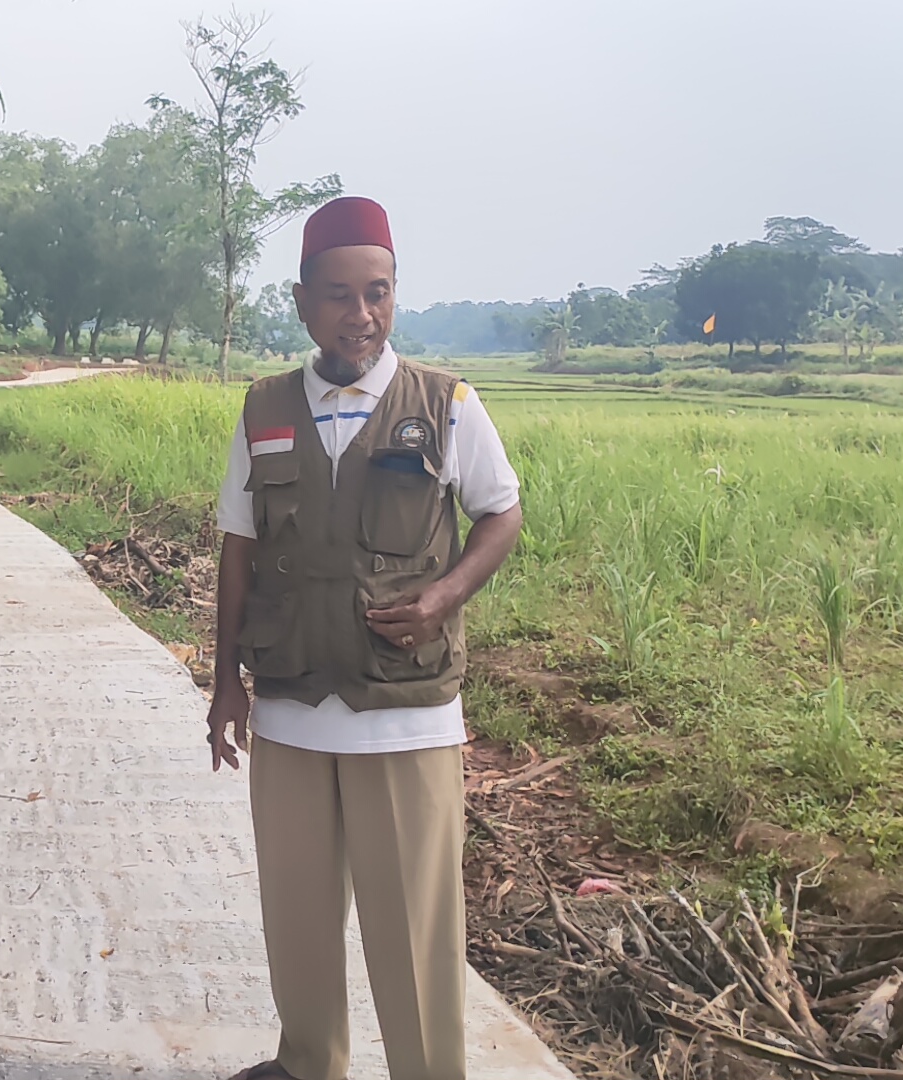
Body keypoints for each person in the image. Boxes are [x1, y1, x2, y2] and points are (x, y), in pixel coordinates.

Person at [209, 197, 524, 1080]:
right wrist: (225, 683)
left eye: (378, 292)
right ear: (303, 301)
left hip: (404, 710)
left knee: (415, 927)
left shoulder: (446, 404)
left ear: (395, 296)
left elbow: (501, 514)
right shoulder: (264, 409)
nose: (362, 314)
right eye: (340, 295)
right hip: (293, 705)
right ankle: (308, 1063)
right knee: (298, 912)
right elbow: (239, 544)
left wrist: (445, 595)